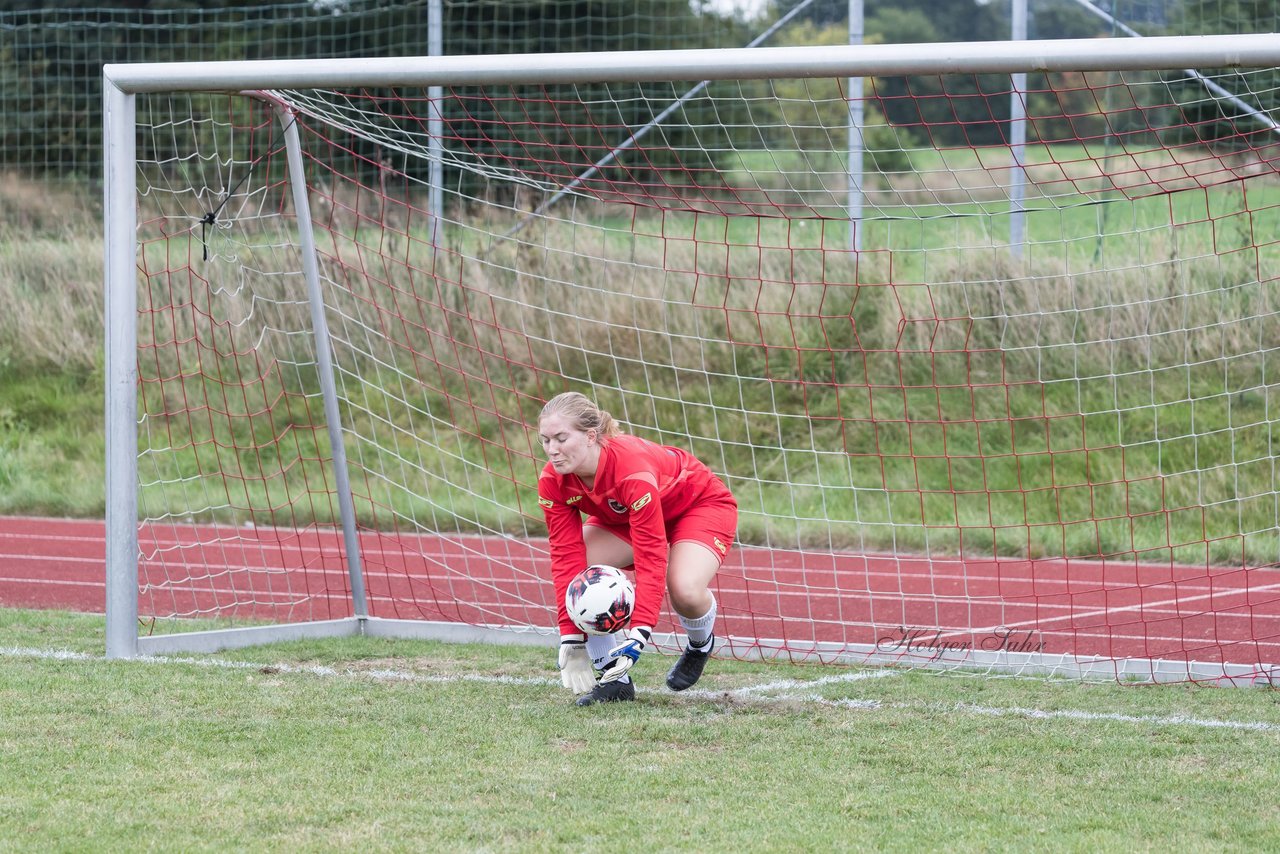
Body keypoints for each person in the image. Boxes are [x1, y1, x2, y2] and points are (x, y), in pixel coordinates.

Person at [536, 391, 738, 706]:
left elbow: (651, 555)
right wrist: (571, 638)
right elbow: (565, 557)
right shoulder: (553, 479)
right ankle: (614, 681)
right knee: (583, 581)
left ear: (591, 436)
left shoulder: (630, 470)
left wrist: (639, 635)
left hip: (696, 505)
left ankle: (700, 645)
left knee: (684, 590)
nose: (553, 450)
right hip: (624, 518)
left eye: (561, 438)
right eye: (545, 441)